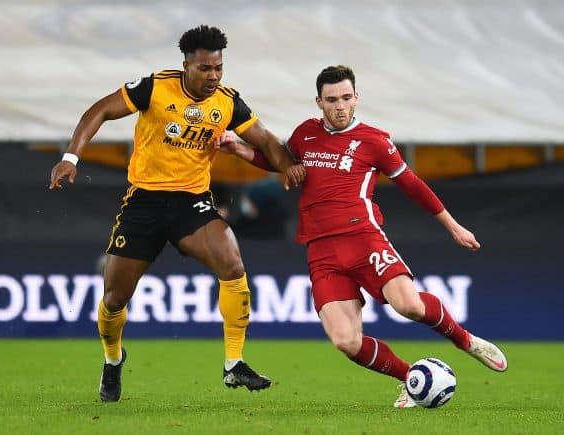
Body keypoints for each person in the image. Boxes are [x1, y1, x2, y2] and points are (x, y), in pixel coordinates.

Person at [217, 65, 507, 408]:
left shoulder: (374, 140)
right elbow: (278, 162)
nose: (339, 106)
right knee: (344, 340)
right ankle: (411, 379)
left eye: (345, 98)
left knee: (408, 305)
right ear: (319, 102)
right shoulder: (305, 134)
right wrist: (238, 150)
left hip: (363, 238)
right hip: (321, 250)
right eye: (331, 100)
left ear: (356, 98)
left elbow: (412, 185)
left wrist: (454, 226)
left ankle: (466, 341)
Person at [49, 25, 306, 402]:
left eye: (218, 68)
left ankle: (234, 363)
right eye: (205, 69)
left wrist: (287, 165)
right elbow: (100, 109)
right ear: (186, 65)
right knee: (114, 298)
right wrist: (71, 157)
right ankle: (113, 358)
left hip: (191, 201)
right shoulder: (154, 87)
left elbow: (266, 139)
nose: (213, 76)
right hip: (144, 202)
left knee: (232, 263)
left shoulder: (228, 102)